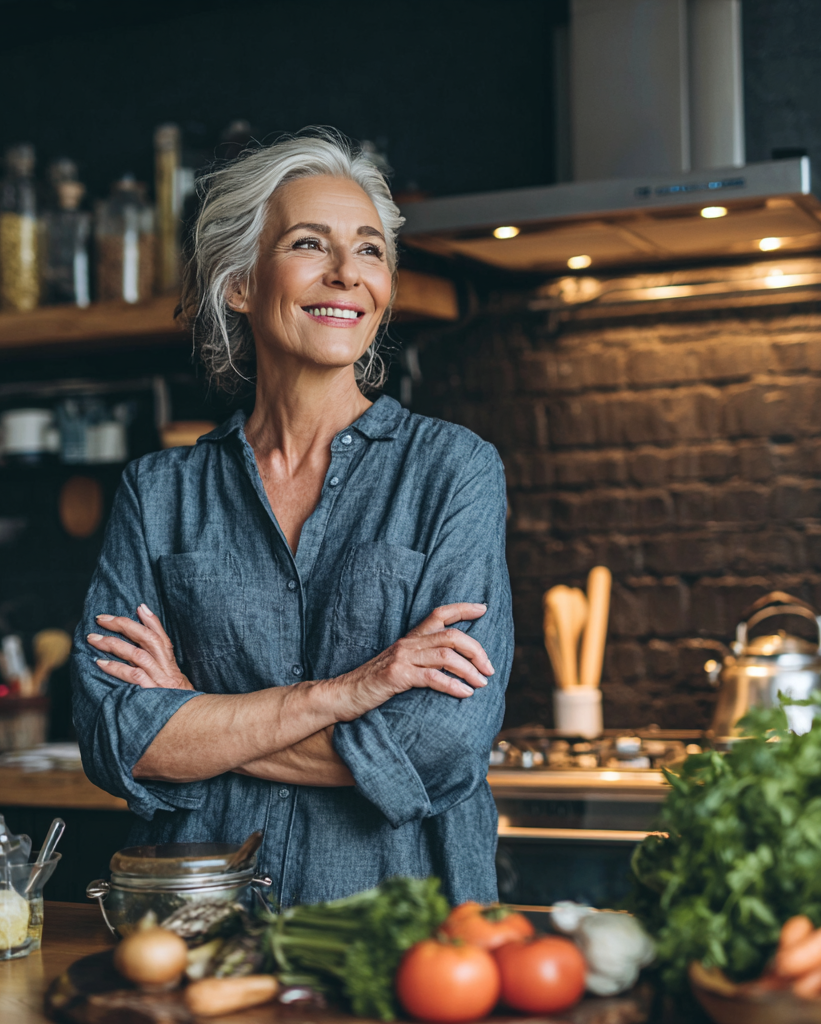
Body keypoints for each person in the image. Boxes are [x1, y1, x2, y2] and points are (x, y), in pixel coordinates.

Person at [72, 130, 513, 907]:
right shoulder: (159, 493)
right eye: (311, 244)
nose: (348, 274)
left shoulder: (454, 471)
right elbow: (117, 735)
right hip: (196, 929)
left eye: (371, 251)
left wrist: (200, 722)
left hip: (393, 939)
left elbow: (438, 746)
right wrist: (350, 692)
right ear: (239, 282)